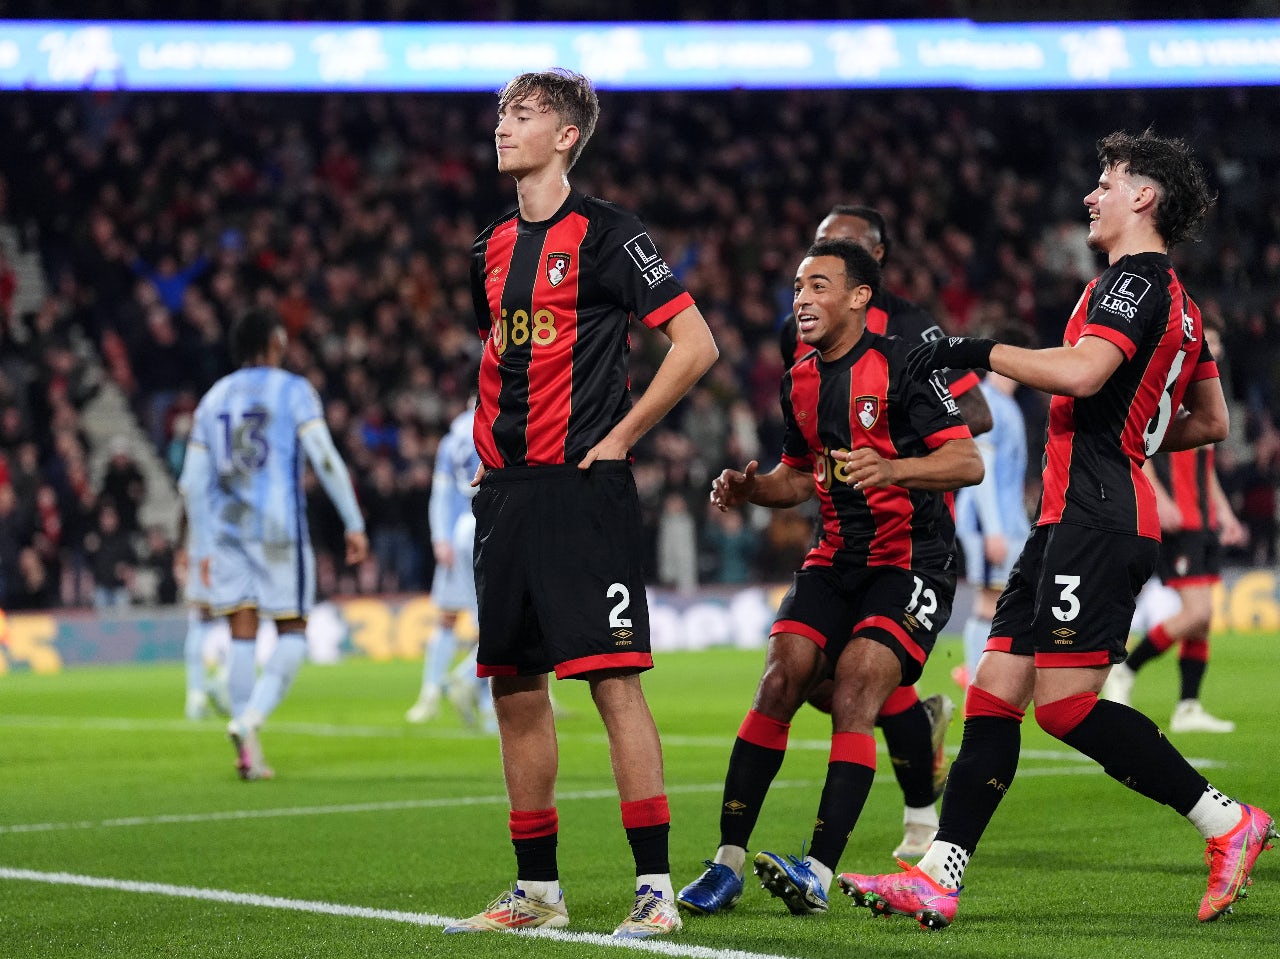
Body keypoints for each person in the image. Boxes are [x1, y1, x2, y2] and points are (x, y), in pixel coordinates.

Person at [839, 129, 1274, 929]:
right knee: (996, 694)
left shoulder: (1133, 284)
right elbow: (1208, 419)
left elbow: (1082, 372)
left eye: (1107, 180)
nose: (1091, 195)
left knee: (1067, 707)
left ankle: (1227, 820)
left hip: (1095, 515)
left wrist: (976, 349)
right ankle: (940, 873)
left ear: (1144, 197)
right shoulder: (1180, 302)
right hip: (1069, 517)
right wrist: (1136, 429)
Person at [443, 69, 718, 939]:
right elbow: (498, 358)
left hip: (584, 490)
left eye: (522, 115)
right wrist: (491, 460)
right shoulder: (488, 246)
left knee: (613, 687)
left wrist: (624, 432)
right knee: (516, 692)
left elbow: (695, 341)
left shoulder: (608, 235)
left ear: (566, 136)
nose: (501, 126)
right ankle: (537, 891)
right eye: (500, 113)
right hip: (508, 497)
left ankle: (654, 890)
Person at [677, 238, 981, 919]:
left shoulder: (904, 364)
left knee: (856, 686)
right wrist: (753, 489)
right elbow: (797, 474)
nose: (803, 299)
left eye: (819, 286)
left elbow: (966, 461)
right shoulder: (800, 378)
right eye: (797, 288)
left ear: (859, 297)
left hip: (910, 561)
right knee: (781, 676)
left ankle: (816, 869)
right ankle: (726, 861)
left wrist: (894, 467)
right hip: (835, 554)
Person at [780, 205, 993, 858]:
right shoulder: (807, 328)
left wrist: (896, 452)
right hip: (841, 532)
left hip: (908, 535)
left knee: (855, 681)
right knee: (819, 679)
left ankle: (918, 816)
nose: (823, 259)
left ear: (874, 259)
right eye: (818, 245)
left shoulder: (909, 330)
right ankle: (915, 721)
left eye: (840, 247)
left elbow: (977, 412)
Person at [179, 307, 368, 780]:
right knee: (292, 632)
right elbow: (323, 456)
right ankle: (249, 719)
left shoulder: (211, 399)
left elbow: (189, 483)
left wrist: (201, 548)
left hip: (224, 534)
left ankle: (249, 752)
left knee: (241, 636)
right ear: (276, 343)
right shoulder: (294, 390)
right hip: (278, 530)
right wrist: (353, 521)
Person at [1102, 320, 1246, 732]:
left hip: (1204, 521)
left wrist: (1227, 516)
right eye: (1208, 342)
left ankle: (1187, 707)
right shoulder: (1168, 387)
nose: (1212, 350)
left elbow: (1206, 467)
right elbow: (1140, 446)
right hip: (1179, 519)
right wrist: (1160, 500)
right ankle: (1125, 669)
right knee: (1196, 611)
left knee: (1202, 619)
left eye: (1217, 343)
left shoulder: (1206, 395)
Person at [406, 397, 494, 733]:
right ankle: (467, 683)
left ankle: (432, 692)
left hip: (454, 532)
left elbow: (440, 492)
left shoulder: (452, 435)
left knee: (449, 617)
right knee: (495, 621)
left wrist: (439, 536)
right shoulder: (493, 423)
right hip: (483, 527)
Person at [953, 323, 1034, 689]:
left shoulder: (1006, 405)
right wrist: (994, 529)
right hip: (990, 525)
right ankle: (975, 677)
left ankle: (982, 675)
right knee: (989, 603)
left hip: (1008, 522)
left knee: (1002, 603)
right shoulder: (985, 404)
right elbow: (980, 472)